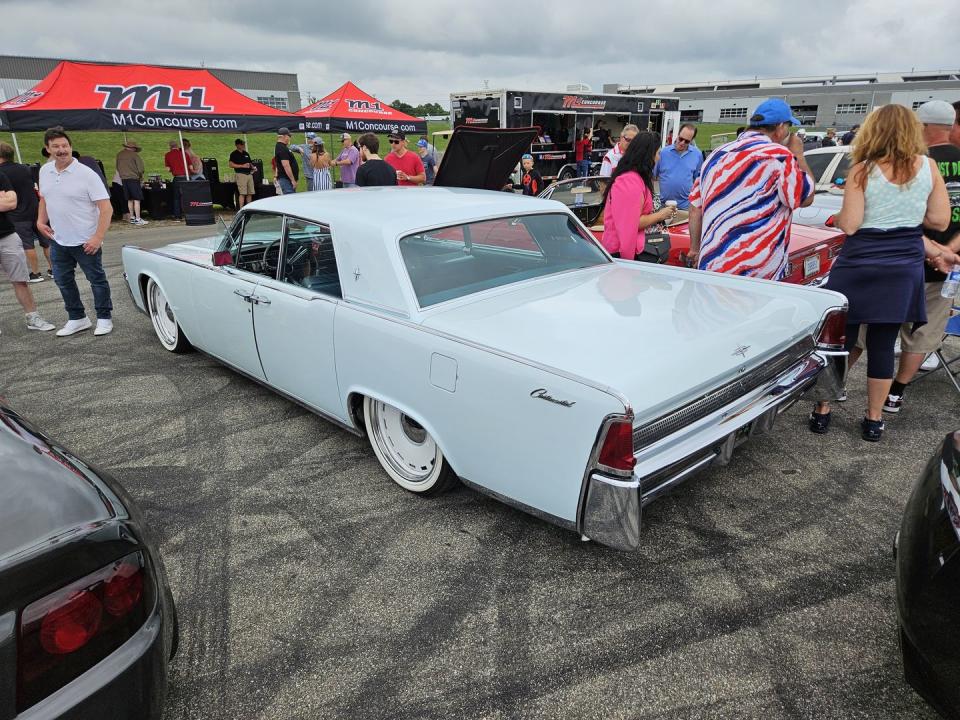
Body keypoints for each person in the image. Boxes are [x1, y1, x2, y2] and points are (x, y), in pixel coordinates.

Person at [809, 104, 951, 441]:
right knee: (884, 343)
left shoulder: (862, 170)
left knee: (841, 339)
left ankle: (823, 410)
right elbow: (939, 221)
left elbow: (852, 224)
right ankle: (873, 420)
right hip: (902, 264)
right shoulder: (928, 167)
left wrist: (843, 216)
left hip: (860, 262)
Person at [882, 101, 960, 414]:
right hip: (947, 266)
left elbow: (898, 214)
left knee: (872, 327)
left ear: (923, 126)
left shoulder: (911, 163)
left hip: (903, 257)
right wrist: (949, 251)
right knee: (923, 332)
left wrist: (928, 248)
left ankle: (840, 390)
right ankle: (896, 393)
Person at [686, 99, 815, 279]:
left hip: (713, 263)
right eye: (788, 127)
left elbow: (694, 208)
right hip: (758, 269)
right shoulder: (779, 156)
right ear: (780, 128)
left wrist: (695, 248)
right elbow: (805, 198)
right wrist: (798, 155)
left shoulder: (716, 155)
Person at [36, 127, 114, 337]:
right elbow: (44, 198)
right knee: (63, 280)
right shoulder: (45, 171)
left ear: (70, 146)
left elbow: (106, 208)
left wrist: (97, 237)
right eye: (56, 147)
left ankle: (104, 317)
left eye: (65, 145)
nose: (61, 150)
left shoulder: (87, 174)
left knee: (97, 280)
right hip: (59, 240)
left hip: (86, 240)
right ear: (48, 149)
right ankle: (77, 318)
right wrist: (40, 221)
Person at [600, 132, 677, 261]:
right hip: (623, 253)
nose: (658, 158)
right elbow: (630, 225)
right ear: (647, 155)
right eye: (657, 153)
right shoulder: (629, 181)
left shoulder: (635, 178)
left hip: (630, 251)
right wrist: (660, 215)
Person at [0, 156, 55, 334]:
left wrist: (6, 201)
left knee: (21, 280)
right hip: (10, 231)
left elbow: (11, 202)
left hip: (7, 234)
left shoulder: (1, 175)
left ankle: (33, 316)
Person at [0, 142, 52, 281]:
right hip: (36, 209)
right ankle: (54, 269)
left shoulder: (1, 173)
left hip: (18, 214)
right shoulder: (26, 168)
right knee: (46, 241)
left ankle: (35, 273)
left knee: (28, 244)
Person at [653, 123, 704, 209]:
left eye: (687, 141)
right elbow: (652, 176)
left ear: (692, 140)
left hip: (686, 206)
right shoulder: (663, 153)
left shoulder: (697, 155)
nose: (682, 143)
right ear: (677, 135)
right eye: (680, 139)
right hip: (664, 205)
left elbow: (698, 180)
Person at [115, 139, 147, 226]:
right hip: (133, 178)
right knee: (137, 199)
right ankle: (138, 218)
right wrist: (140, 175)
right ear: (133, 148)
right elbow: (141, 168)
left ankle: (132, 217)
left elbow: (117, 167)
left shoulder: (119, 154)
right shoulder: (134, 155)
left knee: (129, 199)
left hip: (124, 179)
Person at [164, 140, 189, 219]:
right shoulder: (184, 153)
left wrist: (173, 169)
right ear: (177, 146)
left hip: (177, 178)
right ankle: (188, 214)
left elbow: (168, 169)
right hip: (186, 177)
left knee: (176, 198)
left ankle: (177, 216)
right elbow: (191, 167)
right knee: (186, 197)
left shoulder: (168, 155)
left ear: (170, 147)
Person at [229, 138, 256, 208]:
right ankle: (241, 208)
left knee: (250, 193)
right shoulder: (233, 154)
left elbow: (250, 163)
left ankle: (249, 208)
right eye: (242, 144)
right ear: (237, 145)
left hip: (249, 174)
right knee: (243, 193)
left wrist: (253, 167)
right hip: (241, 174)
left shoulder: (246, 153)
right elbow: (231, 165)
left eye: (243, 144)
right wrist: (242, 166)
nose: (243, 145)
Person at [274, 128, 299, 194]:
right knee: (290, 201)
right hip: (286, 180)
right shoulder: (282, 148)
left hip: (286, 179)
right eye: (289, 136)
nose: (290, 138)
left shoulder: (282, 147)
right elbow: (286, 165)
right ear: (284, 136)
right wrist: (293, 180)